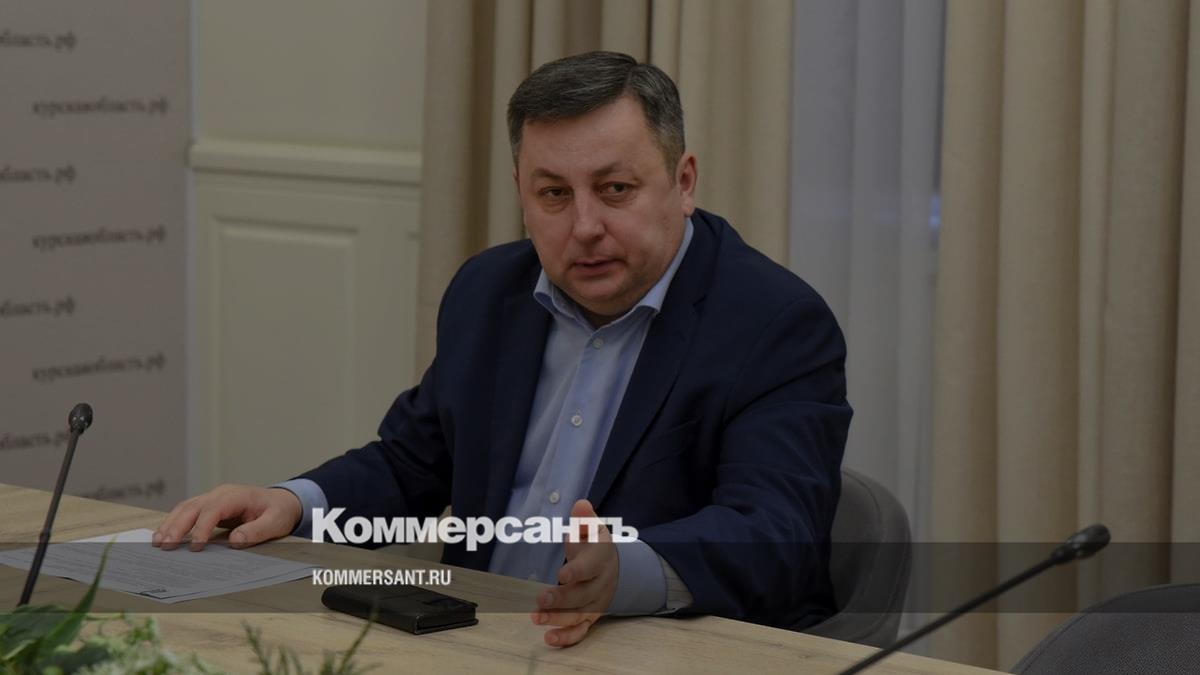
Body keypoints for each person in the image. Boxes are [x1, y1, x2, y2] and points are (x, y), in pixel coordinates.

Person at [154, 51, 851, 648]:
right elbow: (413, 463)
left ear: (684, 180)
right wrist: (293, 503)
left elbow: (775, 532)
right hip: (474, 640)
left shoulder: (775, 323)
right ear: (521, 192)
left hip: (655, 647)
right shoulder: (489, 291)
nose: (585, 225)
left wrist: (627, 570)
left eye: (615, 189)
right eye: (554, 194)